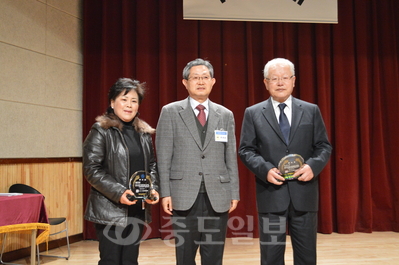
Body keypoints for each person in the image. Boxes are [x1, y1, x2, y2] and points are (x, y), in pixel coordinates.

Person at [239, 58, 332, 265]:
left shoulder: (311, 110)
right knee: (271, 257)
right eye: (274, 78)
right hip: (271, 194)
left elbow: (323, 146)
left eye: (284, 78)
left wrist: (312, 166)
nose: (280, 83)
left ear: (293, 80)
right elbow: (246, 150)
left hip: (304, 194)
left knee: (307, 257)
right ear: (265, 83)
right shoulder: (253, 113)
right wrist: (265, 170)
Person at [155, 58, 240, 265]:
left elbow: (231, 156)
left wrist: (234, 192)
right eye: (195, 77)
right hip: (183, 194)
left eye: (205, 77)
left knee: (214, 256)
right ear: (185, 83)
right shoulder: (170, 112)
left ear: (213, 81)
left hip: (217, 195)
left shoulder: (225, 115)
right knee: (185, 255)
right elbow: (163, 155)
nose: (200, 81)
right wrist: (165, 191)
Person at [83, 78, 160, 265]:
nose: (129, 105)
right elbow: (91, 169)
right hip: (110, 210)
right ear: (112, 102)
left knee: (130, 260)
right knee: (111, 260)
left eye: (134, 101)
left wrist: (153, 189)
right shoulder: (101, 130)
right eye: (124, 99)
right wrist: (119, 193)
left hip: (136, 210)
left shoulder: (143, 133)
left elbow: (152, 166)